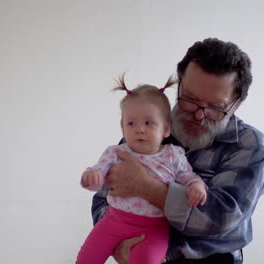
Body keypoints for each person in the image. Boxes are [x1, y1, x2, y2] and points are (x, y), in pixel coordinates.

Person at [91, 38, 264, 264]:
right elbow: (102, 198)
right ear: (179, 86)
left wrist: (145, 186)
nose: (198, 115)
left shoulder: (249, 145)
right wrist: (116, 243)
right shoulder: (148, 127)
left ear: (237, 104)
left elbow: (220, 217)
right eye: (190, 99)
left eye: (215, 107)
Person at [76, 75, 207, 264]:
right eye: (131, 123)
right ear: (122, 129)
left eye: (148, 123)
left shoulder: (173, 155)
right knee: (86, 258)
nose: (140, 130)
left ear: (166, 129)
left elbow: (188, 176)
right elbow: (98, 174)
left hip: (154, 229)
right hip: (114, 221)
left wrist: (197, 186)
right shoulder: (116, 152)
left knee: (145, 260)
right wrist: (91, 176)